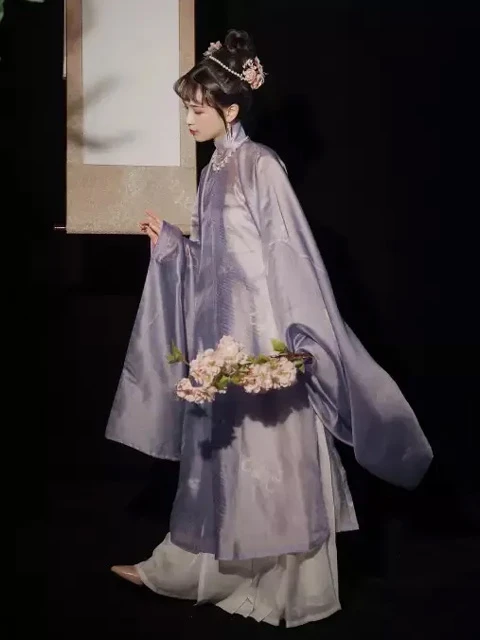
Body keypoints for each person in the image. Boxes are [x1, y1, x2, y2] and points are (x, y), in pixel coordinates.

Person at [106, 30, 433, 627]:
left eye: (198, 108)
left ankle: (286, 586)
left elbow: (290, 254)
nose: (189, 119)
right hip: (222, 343)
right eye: (186, 108)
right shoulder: (214, 171)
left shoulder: (260, 164)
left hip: (263, 344)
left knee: (271, 458)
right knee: (221, 462)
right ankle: (191, 568)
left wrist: (295, 343)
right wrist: (174, 245)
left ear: (230, 109)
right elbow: (217, 259)